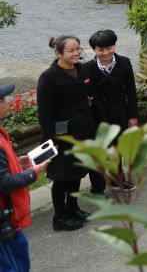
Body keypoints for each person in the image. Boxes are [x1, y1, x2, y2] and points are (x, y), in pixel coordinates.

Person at [37, 35, 105, 231]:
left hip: (83, 129)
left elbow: (90, 94)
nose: (76, 53)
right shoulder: (49, 78)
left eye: (78, 49)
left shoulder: (82, 70)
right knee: (62, 177)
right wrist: (51, 139)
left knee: (77, 172)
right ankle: (59, 217)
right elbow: (44, 114)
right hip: (62, 135)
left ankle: (73, 207)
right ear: (59, 53)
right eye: (71, 50)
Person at [0, 82, 49, 270]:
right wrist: (32, 173)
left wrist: (16, 165)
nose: (8, 102)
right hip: (5, 223)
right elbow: (3, 183)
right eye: (2, 100)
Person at [83, 29, 138, 191]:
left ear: (114, 46)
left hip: (119, 110)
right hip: (97, 113)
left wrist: (133, 115)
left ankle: (116, 179)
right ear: (94, 49)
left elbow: (131, 91)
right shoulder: (87, 68)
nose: (106, 53)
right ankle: (98, 185)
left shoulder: (124, 62)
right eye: (101, 49)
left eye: (109, 48)